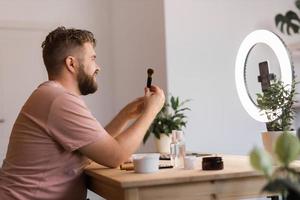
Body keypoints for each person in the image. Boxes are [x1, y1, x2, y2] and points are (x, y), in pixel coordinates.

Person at [0, 26, 165, 200]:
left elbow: (94, 146)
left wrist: (126, 115)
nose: (98, 67)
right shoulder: (59, 100)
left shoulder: (52, 96)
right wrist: (151, 110)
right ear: (71, 63)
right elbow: (115, 156)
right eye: (93, 58)